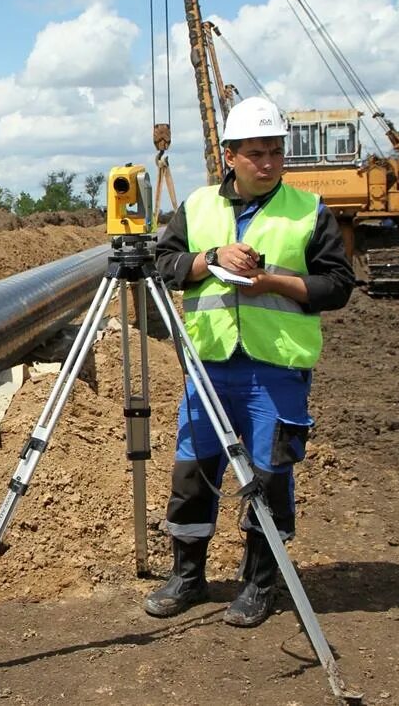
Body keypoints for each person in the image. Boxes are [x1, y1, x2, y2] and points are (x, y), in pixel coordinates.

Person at [145, 96, 354, 627]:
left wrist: (271, 282)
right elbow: (164, 263)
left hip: (274, 369)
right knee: (193, 472)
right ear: (230, 155)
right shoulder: (197, 207)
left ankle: (260, 583)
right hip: (209, 364)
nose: (268, 162)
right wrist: (209, 259)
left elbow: (337, 286)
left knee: (269, 474)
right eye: (256, 153)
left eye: (276, 152)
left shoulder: (308, 211)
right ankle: (187, 577)